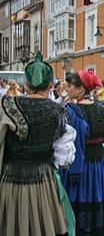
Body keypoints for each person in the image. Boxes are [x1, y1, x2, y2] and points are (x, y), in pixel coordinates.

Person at [0, 52, 76, 235]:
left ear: (26, 84)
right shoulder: (58, 111)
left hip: (11, 179)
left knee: (13, 226)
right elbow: (64, 159)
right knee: (44, 226)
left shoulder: (7, 105)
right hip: (44, 181)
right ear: (51, 85)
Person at [61, 70, 104, 236]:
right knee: (97, 199)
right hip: (98, 164)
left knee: (78, 202)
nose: (68, 88)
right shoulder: (103, 111)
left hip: (78, 164)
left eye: (71, 86)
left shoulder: (69, 111)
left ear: (81, 90)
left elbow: (63, 143)